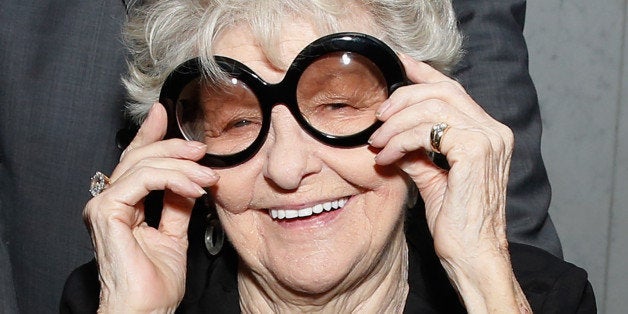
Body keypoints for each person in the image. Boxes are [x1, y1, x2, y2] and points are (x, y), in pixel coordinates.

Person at [61, 0, 594, 312]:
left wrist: (482, 277)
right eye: (239, 120)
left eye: (337, 104)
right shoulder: (109, 295)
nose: (288, 168)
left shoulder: (539, 298)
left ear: (421, 115)